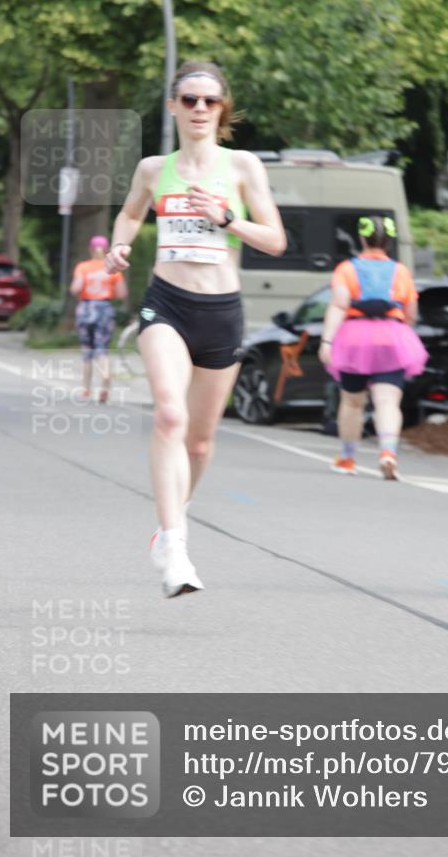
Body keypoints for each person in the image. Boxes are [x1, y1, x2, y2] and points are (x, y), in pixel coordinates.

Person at [104, 60, 286, 597]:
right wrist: (121, 244)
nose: (199, 109)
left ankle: (170, 521)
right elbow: (132, 215)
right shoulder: (152, 169)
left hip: (221, 311)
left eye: (209, 101)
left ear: (222, 108)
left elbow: (275, 240)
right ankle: (176, 548)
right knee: (168, 414)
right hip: (167, 304)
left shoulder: (243, 166)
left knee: (201, 444)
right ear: (174, 107)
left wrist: (227, 218)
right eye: (189, 100)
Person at [318, 215, 428, 480]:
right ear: (389, 242)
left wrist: (327, 341)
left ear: (362, 238)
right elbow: (411, 314)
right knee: (388, 402)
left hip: (355, 339)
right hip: (391, 338)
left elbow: (338, 306)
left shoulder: (347, 269)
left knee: (352, 402)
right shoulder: (401, 271)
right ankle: (388, 453)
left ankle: (347, 458)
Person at [70, 235, 127, 402]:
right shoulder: (113, 269)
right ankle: (105, 380)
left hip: (86, 309)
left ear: (90, 249)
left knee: (87, 349)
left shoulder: (83, 267)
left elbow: (76, 288)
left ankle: (86, 389)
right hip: (105, 310)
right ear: (107, 249)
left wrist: (82, 290)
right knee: (102, 349)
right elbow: (122, 294)